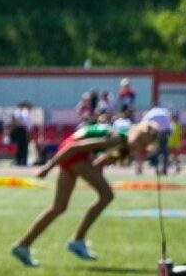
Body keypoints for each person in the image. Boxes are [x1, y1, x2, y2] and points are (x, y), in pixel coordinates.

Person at [10, 110, 133, 266]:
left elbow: (91, 158)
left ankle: (23, 245)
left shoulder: (113, 138)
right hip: (72, 154)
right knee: (107, 195)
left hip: (73, 155)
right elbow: (73, 148)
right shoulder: (113, 139)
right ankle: (78, 239)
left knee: (58, 207)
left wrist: (95, 172)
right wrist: (48, 168)